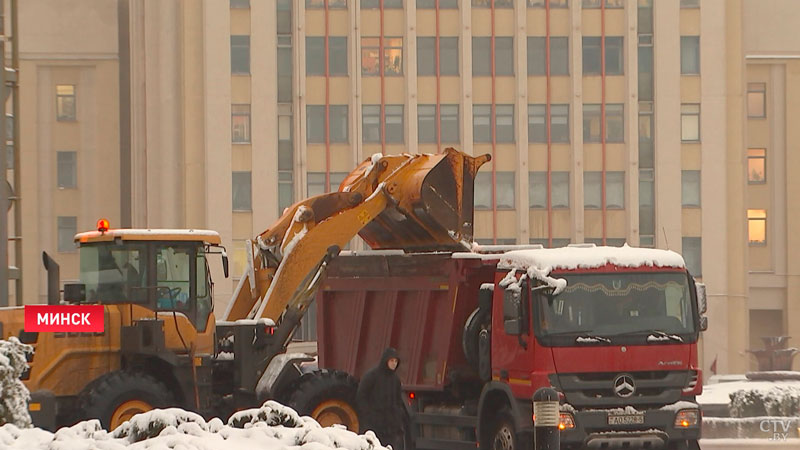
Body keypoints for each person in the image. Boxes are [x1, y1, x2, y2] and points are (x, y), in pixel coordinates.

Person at [357, 347, 406, 450]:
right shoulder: (372, 376)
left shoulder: (395, 380)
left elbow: (398, 401)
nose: (394, 363)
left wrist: (398, 420)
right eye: (391, 360)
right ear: (385, 360)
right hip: (374, 425)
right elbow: (361, 396)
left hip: (390, 427)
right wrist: (369, 414)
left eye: (396, 361)